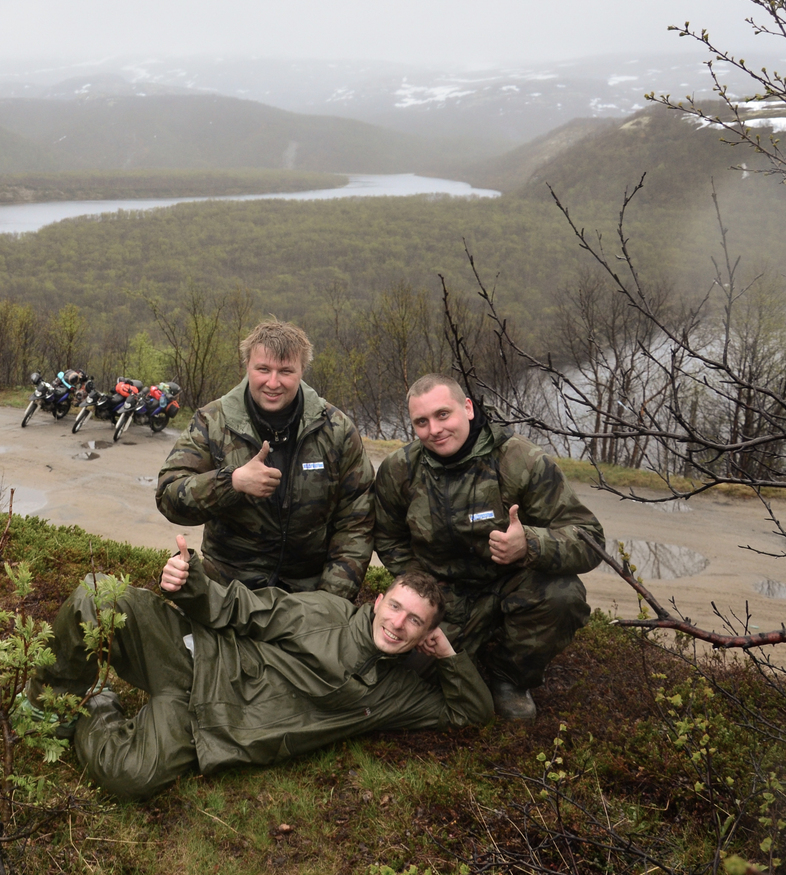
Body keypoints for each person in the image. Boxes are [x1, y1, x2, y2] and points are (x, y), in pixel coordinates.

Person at [32, 535, 493, 800]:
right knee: (99, 594)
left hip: (208, 726)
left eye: (415, 621)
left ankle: (97, 710)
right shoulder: (326, 613)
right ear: (378, 601)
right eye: (395, 607)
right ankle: (46, 706)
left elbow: (469, 713)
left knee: (131, 776)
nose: (397, 624)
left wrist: (450, 658)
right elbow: (245, 608)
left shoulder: (395, 694)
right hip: (195, 656)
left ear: (426, 636)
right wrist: (189, 582)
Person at [372, 373, 603, 721]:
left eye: (442, 415)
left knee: (563, 595)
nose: (434, 429)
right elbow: (388, 537)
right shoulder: (399, 470)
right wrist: (418, 590)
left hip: (512, 584)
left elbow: (589, 539)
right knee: (403, 676)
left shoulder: (522, 461)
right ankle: (468, 651)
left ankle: (510, 679)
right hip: (443, 595)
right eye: (422, 422)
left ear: (467, 408)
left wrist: (531, 544)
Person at [155, 320, 374, 600]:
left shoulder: (336, 430)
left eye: (285, 371)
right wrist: (230, 482)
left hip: (308, 591)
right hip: (229, 588)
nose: (273, 383)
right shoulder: (212, 422)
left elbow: (357, 520)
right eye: (263, 369)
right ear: (247, 365)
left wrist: (331, 600)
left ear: (301, 371)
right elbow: (169, 496)